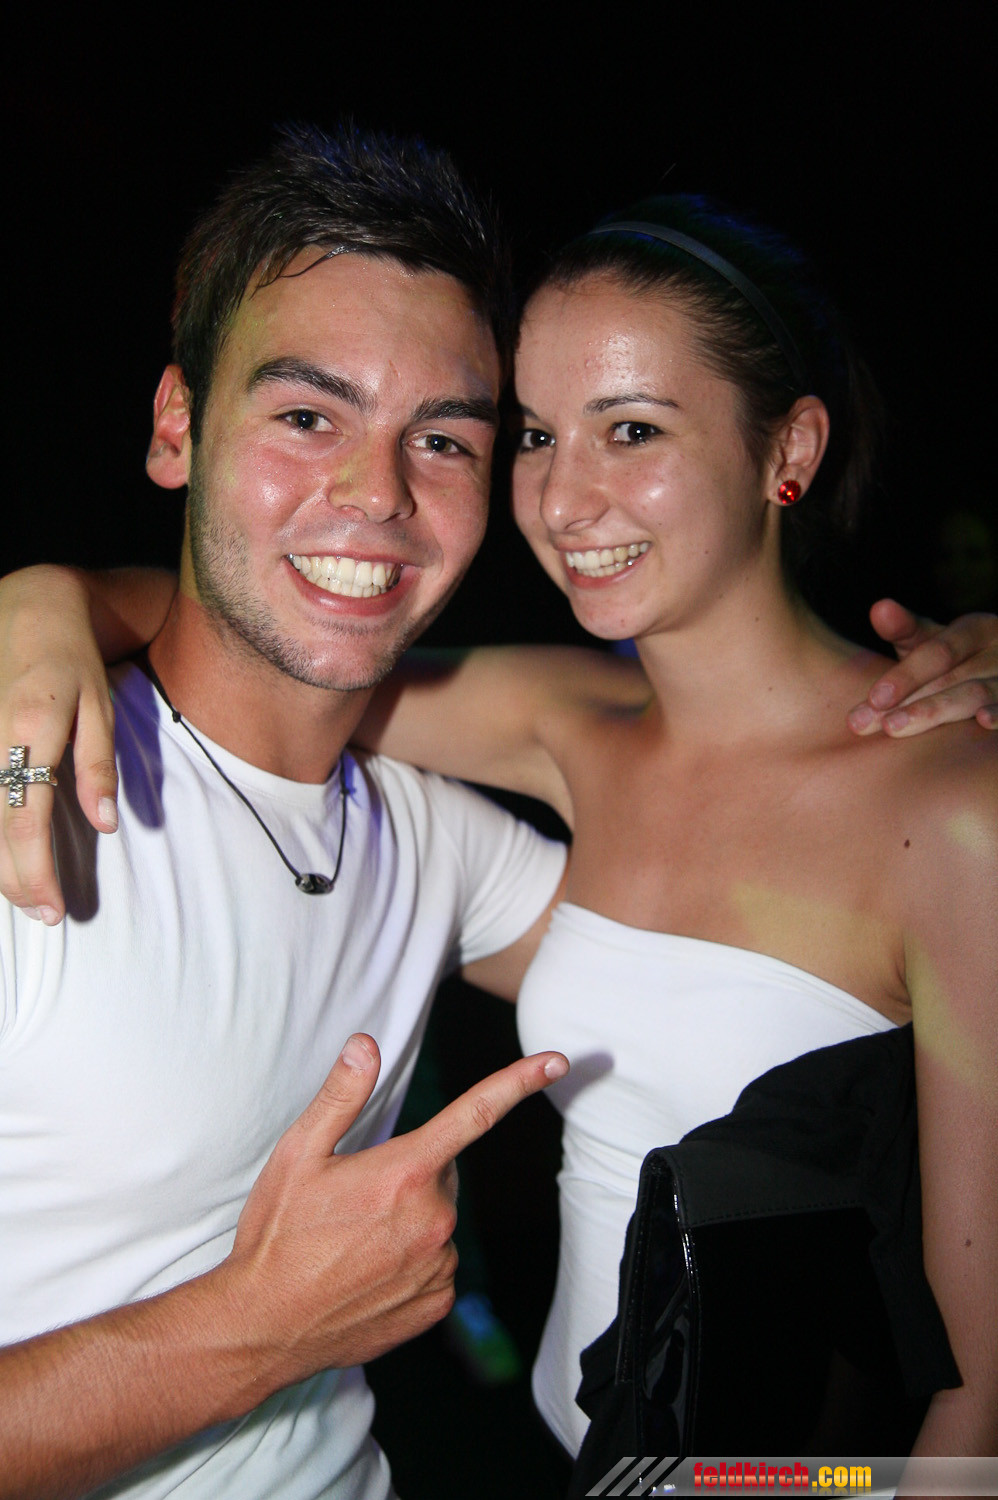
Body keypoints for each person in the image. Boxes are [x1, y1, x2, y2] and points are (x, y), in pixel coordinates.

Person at [3, 192, 998, 1465]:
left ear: (786, 448)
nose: (565, 498)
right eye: (533, 435)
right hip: (568, 1450)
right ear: (179, 424)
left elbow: (976, 1397)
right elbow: (283, 630)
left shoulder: (945, 801)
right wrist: (44, 600)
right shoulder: (569, 723)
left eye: (629, 429)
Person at [0, 123, 575, 1500]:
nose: (377, 494)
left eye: (440, 439)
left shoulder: (430, 836)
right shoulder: (25, 785)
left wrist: (923, 716)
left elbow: (749, 947)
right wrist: (258, 1330)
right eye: (308, 416)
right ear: (177, 428)